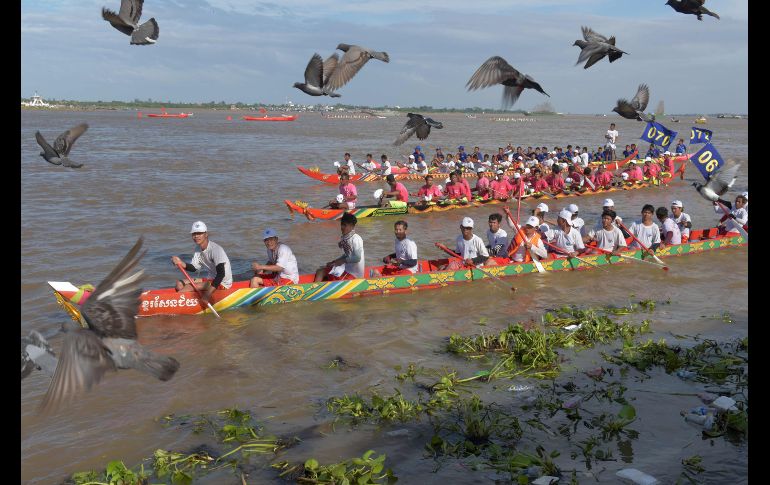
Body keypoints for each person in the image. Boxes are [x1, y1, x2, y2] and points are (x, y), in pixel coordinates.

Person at [171, 221, 233, 305]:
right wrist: (180, 262)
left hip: (222, 282)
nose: (196, 236)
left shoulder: (216, 250)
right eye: (194, 234)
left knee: (188, 287)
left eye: (199, 233)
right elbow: (194, 268)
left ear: (206, 234)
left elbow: (221, 274)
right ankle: (191, 302)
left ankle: (176, 305)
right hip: (210, 279)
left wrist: (207, 295)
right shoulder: (198, 249)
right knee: (179, 284)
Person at [314, 212, 365, 281]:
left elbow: (357, 258)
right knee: (321, 269)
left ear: (352, 226)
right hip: (347, 270)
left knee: (320, 272)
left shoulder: (356, 239)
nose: (342, 227)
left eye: (345, 225)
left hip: (353, 275)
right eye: (341, 224)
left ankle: (315, 290)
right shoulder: (347, 237)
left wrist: (341, 261)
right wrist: (335, 262)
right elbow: (348, 255)